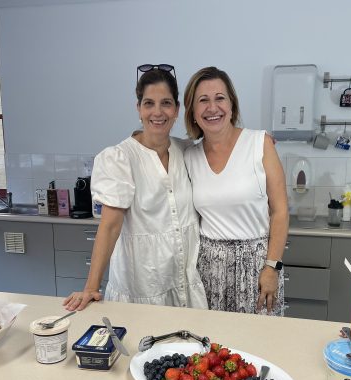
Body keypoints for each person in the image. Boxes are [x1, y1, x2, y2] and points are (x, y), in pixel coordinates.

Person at [63, 64, 207, 311]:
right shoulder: (120, 158)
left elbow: (221, 147)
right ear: (139, 109)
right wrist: (91, 287)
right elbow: (110, 226)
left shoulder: (186, 151)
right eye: (149, 103)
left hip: (184, 285)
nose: (157, 112)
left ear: (176, 110)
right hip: (142, 288)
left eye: (166, 103)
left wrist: (255, 140)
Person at [183, 66, 289, 316]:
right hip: (208, 270)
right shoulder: (189, 156)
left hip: (257, 268)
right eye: (203, 100)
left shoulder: (260, 143)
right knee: (211, 338)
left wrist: (272, 267)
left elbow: (281, 211)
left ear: (232, 104)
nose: (212, 108)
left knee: (259, 337)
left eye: (220, 98)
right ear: (193, 112)